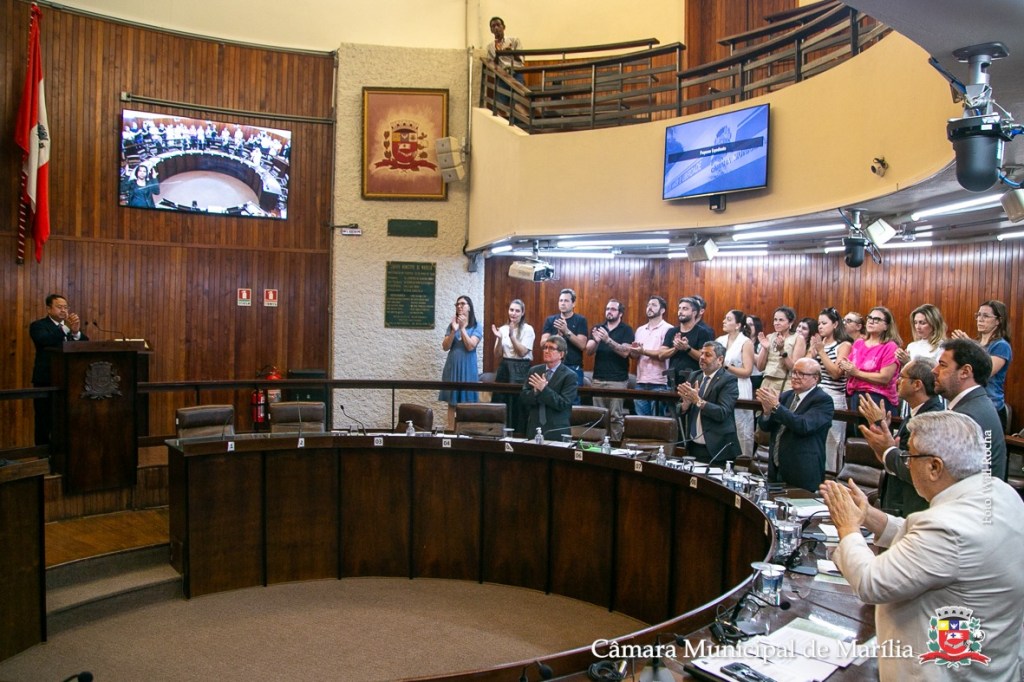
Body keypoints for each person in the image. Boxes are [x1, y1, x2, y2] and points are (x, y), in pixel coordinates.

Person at [820, 411, 1024, 682]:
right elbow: (925, 550)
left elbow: (870, 582)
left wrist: (848, 527)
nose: (906, 464)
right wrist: (868, 515)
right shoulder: (1000, 493)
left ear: (934, 466)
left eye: (909, 456)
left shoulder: (947, 527)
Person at [857, 338, 1007, 482]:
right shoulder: (977, 404)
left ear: (965, 372)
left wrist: (888, 450)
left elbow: (931, 474)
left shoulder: (965, 416)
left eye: (942, 365)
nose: (934, 371)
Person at [859, 357, 943, 517]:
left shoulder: (930, 418)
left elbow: (911, 465)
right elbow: (896, 451)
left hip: (911, 506)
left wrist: (878, 425)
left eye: (902, 377)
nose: (897, 381)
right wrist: (882, 430)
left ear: (917, 385)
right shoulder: (917, 411)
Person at [756, 357, 834, 491]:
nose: (795, 377)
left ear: (815, 378)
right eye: (794, 372)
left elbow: (803, 426)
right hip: (776, 468)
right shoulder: (786, 396)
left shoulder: (823, 400)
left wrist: (776, 407)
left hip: (802, 471)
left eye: (801, 374)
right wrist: (767, 412)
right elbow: (766, 427)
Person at [30, 293, 89, 445]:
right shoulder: (39, 326)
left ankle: (63, 452)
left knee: (65, 418)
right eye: (59, 307)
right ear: (49, 309)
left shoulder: (69, 328)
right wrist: (65, 328)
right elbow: (45, 341)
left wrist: (76, 332)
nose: (64, 310)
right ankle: (42, 455)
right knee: (44, 418)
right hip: (46, 379)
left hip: (69, 380)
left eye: (66, 307)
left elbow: (85, 345)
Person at [676, 341, 742, 464]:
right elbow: (679, 408)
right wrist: (685, 405)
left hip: (717, 449)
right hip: (694, 446)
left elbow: (722, 412)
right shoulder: (694, 376)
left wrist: (698, 401)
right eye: (701, 354)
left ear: (720, 359)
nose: (702, 357)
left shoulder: (728, 380)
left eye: (708, 355)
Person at [952, 300, 1012, 428]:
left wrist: (970, 346)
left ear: (998, 321)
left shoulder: (1001, 345)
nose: (980, 319)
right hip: (970, 404)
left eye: (986, 316)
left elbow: (985, 372)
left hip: (991, 407)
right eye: (978, 315)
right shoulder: (976, 343)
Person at [807, 307, 851, 473]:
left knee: (833, 441)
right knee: (815, 438)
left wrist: (821, 352)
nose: (820, 327)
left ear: (835, 324)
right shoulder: (819, 344)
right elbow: (805, 366)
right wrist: (813, 351)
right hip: (815, 394)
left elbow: (835, 373)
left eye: (824, 323)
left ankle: (832, 478)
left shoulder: (843, 345)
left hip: (834, 396)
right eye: (819, 323)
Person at [839, 305, 902, 423]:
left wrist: (856, 372)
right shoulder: (859, 343)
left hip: (878, 399)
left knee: (873, 438)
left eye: (877, 319)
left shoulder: (890, 346)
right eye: (870, 318)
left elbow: (885, 378)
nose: (871, 321)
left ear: (886, 326)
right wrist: (847, 368)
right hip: (855, 395)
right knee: (856, 438)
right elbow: (850, 373)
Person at [585, 299, 634, 441]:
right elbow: (588, 351)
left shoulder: (626, 330)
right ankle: (599, 447)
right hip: (598, 379)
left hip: (618, 381)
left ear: (620, 313)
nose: (609, 312)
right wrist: (596, 340)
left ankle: (615, 447)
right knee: (598, 417)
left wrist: (607, 340)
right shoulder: (598, 328)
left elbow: (625, 352)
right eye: (607, 309)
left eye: (613, 309)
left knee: (615, 417)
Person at [662, 297, 715, 424]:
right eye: (679, 308)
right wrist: (676, 348)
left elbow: (707, 358)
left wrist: (687, 348)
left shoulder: (703, 332)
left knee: (692, 421)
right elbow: (661, 354)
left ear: (694, 313)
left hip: (695, 384)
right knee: (672, 422)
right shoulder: (672, 332)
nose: (680, 311)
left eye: (685, 309)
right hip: (673, 384)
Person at [521, 336, 578, 441]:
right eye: (545, 348)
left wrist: (544, 389)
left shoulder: (570, 376)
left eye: (551, 348)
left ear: (561, 354)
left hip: (557, 430)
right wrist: (535, 392)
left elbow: (563, 403)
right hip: (534, 427)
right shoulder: (534, 371)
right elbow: (524, 398)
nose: (546, 351)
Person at [491, 299, 535, 434]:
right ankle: (500, 434)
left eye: (517, 311)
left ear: (522, 313)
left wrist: (512, 336)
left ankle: (519, 434)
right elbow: (497, 354)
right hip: (505, 368)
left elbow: (522, 352)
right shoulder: (503, 329)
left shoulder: (528, 329)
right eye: (511, 310)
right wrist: (499, 338)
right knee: (502, 401)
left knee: (518, 405)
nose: (513, 313)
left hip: (521, 369)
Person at [439, 296, 483, 427]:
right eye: (457, 304)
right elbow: (445, 346)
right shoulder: (452, 325)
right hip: (453, 367)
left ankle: (466, 432)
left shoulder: (476, 326)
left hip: (468, 368)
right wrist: (453, 330)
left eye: (463, 304)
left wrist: (462, 328)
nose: (459, 306)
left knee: (467, 401)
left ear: (469, 307)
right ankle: (451, 432)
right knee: (452, 403)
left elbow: (470, 346)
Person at [716, 309, 755, 457]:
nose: (724, 321)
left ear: (738, 324)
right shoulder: (719, 340)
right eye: (724, 318)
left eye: (728, 319)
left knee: (741, 426)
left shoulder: (745, 342)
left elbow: (747, 371)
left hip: (740, 385)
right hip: (721, 384)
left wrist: (725, 366)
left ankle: (742, 463)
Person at [629, 296, 672, 416]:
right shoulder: (640, 330)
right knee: (641, 423)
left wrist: (643, 351)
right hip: (641, 381)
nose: (649, 308)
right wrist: (634, 352)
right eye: (648, 305)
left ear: (662, 310)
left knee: (657, 423)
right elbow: (635, 356)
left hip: (659, 383)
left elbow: (662, 354)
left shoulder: (668, 329)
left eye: (653, 305)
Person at [540, 288, 588, 395]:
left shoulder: (580, 320)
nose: (562, 303)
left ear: (573, 303)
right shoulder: (550, 320)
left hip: (573, 367)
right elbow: (542, 343)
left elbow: (582, 345)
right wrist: (557, 336)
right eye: (561, 300)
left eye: (566, 301)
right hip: (552, 366)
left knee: (573, 401)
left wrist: (567, 332)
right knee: (550, 396)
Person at [755, 306, 805, 393]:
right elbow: (759, 367)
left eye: (781, 320)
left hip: (785, 383)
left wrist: (782, 350)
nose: (776, 323)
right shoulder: (769, 337)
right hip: (766, 382)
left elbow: (794, 368)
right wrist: (765, 348)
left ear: (791, 322)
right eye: (775, 320)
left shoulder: (798, 338)